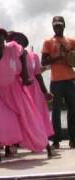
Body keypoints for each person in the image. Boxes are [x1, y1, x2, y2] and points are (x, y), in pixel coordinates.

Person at [0, 25, 50, 163]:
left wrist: (24, 75)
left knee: (28, 116)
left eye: (2, 42)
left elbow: (23, 54)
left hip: (14, 88)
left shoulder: (11, 48)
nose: (1, 45)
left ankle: (46, 146)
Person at [42, 16, 75, 149]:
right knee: (55, 111)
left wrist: (70, 54)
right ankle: (56, 140)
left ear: (64, 25)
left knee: (73, 110)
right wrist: (58, 57)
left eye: (60, 25)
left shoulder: (71, 41)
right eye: (56, 25)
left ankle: (73, 139)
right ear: (53, 26)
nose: (58, 27)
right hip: (56, 81)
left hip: (71, 79)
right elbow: (43, 62)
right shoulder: (48, 42)